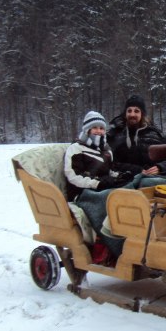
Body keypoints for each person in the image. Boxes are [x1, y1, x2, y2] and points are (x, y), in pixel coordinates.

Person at [64, 110, 134, 263]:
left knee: (127, 196)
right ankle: (104, 244)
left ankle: (129, 241)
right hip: (82, 193)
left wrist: (120, 176)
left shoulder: (106, 149)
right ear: (87, 129)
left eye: (101, 128)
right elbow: (73, 176)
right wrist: (97, 183)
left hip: (102, 188)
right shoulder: (75, 148)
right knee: (108, 200)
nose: (99, 131)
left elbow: (110, 171)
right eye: (95, 127)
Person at [106, 95, 166, 176]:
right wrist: (136, 170)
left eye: (136, 111)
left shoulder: (156, 135)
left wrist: (160, 167)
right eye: (129, 111)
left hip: (154, 180)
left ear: (142, 114)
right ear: (125, 113)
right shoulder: (114, 135)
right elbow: (109, 163)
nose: (132, 114)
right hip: (124, 181)